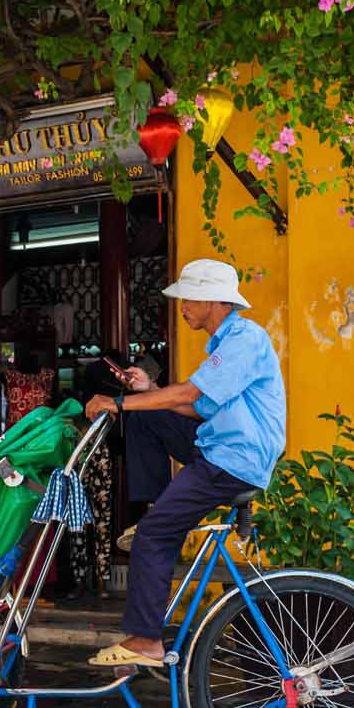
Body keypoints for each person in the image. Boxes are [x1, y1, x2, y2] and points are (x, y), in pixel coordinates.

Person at [84, 259, 286, 667]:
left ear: (213, 301)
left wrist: (119, 402)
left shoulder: (245, 338)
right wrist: (148, 390)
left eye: (188, 298)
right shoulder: (223, 343)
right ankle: (158, 511)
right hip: (218, 445)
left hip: (234, 458)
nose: (182, 307)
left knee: (154, 537)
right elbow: (199, 408)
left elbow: (189, 395)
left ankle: (146, 641)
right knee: (147, 414)